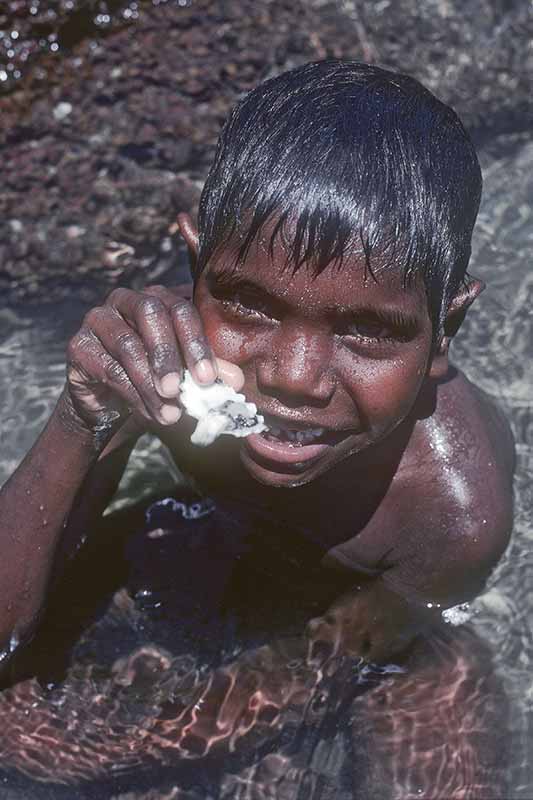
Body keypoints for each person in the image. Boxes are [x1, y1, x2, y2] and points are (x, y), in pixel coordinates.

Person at [0, 60, 515, 795]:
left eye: (368, 332)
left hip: (361, 631)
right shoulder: (158, 364)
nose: (293, 377)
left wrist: (168, 734)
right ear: (194, 264)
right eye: (250, 305)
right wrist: (79, 419)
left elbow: (334, 661)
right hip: (192, 552)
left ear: (445, 332)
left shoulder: (450, 510)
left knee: (445, 719)